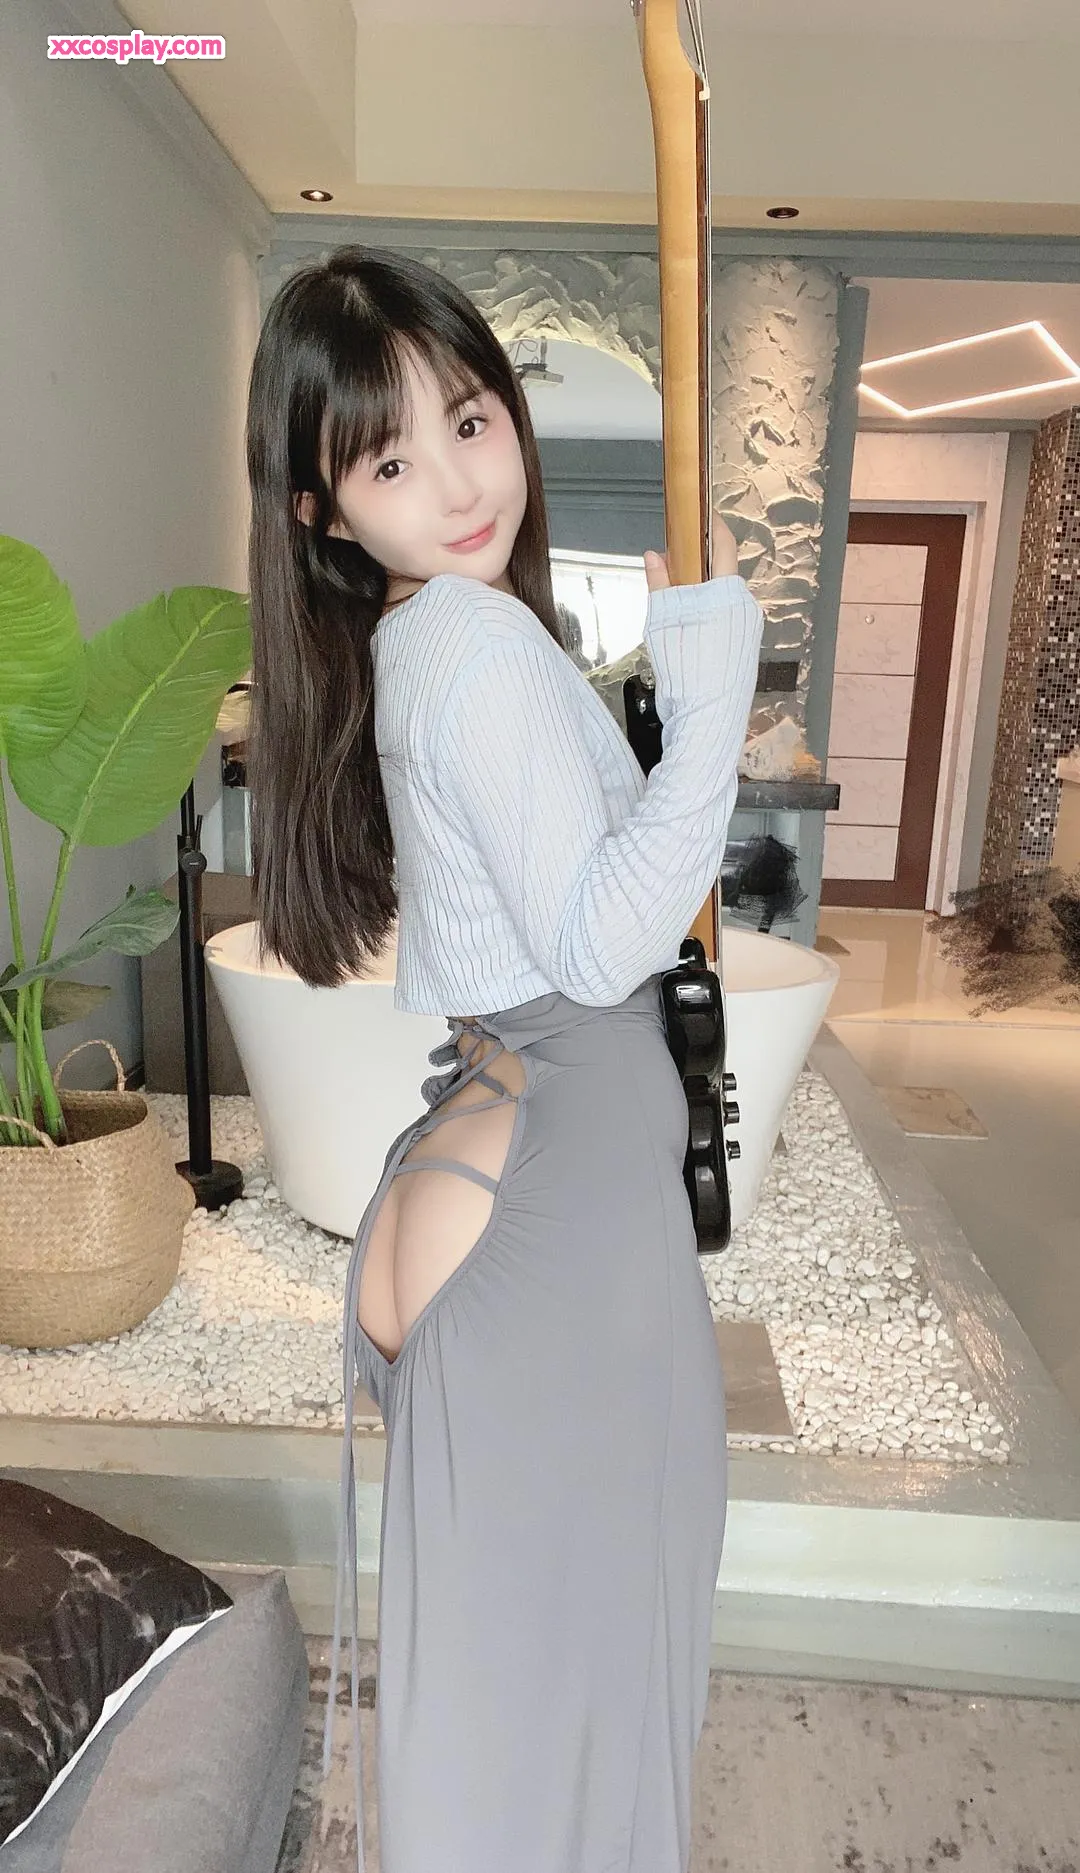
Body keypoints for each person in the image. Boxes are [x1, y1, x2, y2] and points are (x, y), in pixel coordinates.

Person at [243, 244, 765, 1873]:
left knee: (499, 1726)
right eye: (391, 461)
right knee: (587, 1712)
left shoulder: (420, 639)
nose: (461, 483)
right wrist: (714, 712)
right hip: (552, 1183)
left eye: (469, 422)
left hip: (494, 1151)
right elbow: (607, 944)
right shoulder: (470, 644)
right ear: (326, 511)